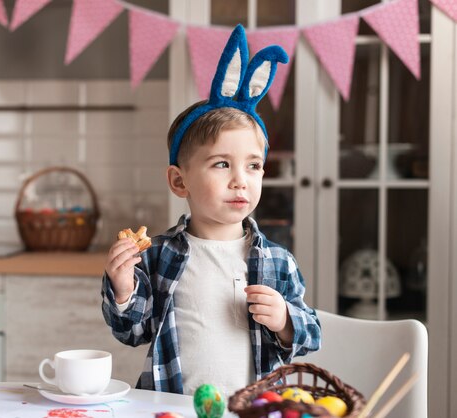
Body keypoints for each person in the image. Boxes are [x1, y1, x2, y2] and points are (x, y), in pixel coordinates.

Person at [101, 25, 321, 396]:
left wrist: (285, 319)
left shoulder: (278, 261)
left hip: (251, 408)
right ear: (179, 181)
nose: (241, 181)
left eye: (253, 166)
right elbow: (132, 333)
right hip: (171, 404)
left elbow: (309, 335)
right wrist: (122, 289)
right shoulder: (155, 254)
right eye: (222, 164)